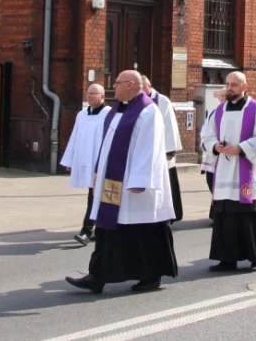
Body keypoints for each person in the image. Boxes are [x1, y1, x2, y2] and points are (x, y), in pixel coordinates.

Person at [66, 70, 177, 293]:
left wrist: (139, 180)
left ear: (131, 85)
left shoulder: (148, 111)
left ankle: (151, 276)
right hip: (113, 183)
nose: (113, 87)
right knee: (108, 231)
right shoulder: (116, 110)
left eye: (117, 83)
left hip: (135, 187)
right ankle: (97, 276)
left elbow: (150, 149)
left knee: (143, 232)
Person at [200, 72, 256, 272]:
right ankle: (227, 258)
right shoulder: (218, 111)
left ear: (244, 87)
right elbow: (206, 135)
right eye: (227, 84)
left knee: (247, 214)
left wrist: (242, 148)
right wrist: (214, 146)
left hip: (246, 169)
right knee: (224, 215)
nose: (230, 88)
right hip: (224, 171)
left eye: (234, 85)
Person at [61, 83, 110, 246]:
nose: (89, 96)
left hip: (101, 164)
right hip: (86, 161)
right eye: (88, 93)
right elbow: (75, 137)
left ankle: (86, 231)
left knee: (96, 197)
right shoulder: (82, 115)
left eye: (93, 94)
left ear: (102, 96)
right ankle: (96, 230)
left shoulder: (108, 114)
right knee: (94, 196)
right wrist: (70, 160)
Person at [142, 76, 183, 222]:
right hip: (147, 152)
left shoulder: (162, 101)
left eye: (143, 87)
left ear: (150, 86)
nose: (141, 91)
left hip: (163, 151)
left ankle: (171, 214)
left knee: (167, 183)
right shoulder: (137, 101)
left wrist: (169, 150)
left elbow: (170, 124)